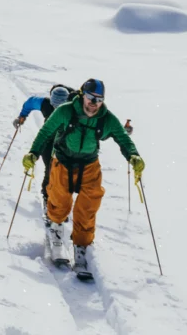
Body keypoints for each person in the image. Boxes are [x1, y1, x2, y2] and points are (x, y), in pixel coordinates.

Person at [20, 78, 143, 278]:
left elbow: (122, 137)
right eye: (90, 98)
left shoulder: (105, 118)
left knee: (89, 205)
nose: (93, 103)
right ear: (81, 95)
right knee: (59, 200)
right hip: (63, 161)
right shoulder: (64, 111)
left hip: (89, 165)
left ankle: (82, 246)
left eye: (98, 99)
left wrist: (133, 155)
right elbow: (45, 132)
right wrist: (33, 153)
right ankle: (57, 230)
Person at [13, 83, 73, 206]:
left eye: (62, 106)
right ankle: (47, 196)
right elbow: (30, 102)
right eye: (55, 106)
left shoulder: (75, 105)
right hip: (49, 138)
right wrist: (22, 116)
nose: (58, 110)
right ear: (51, 102)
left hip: (67, 141)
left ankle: (61, 198)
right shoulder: (45, 104)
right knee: (50, 168)